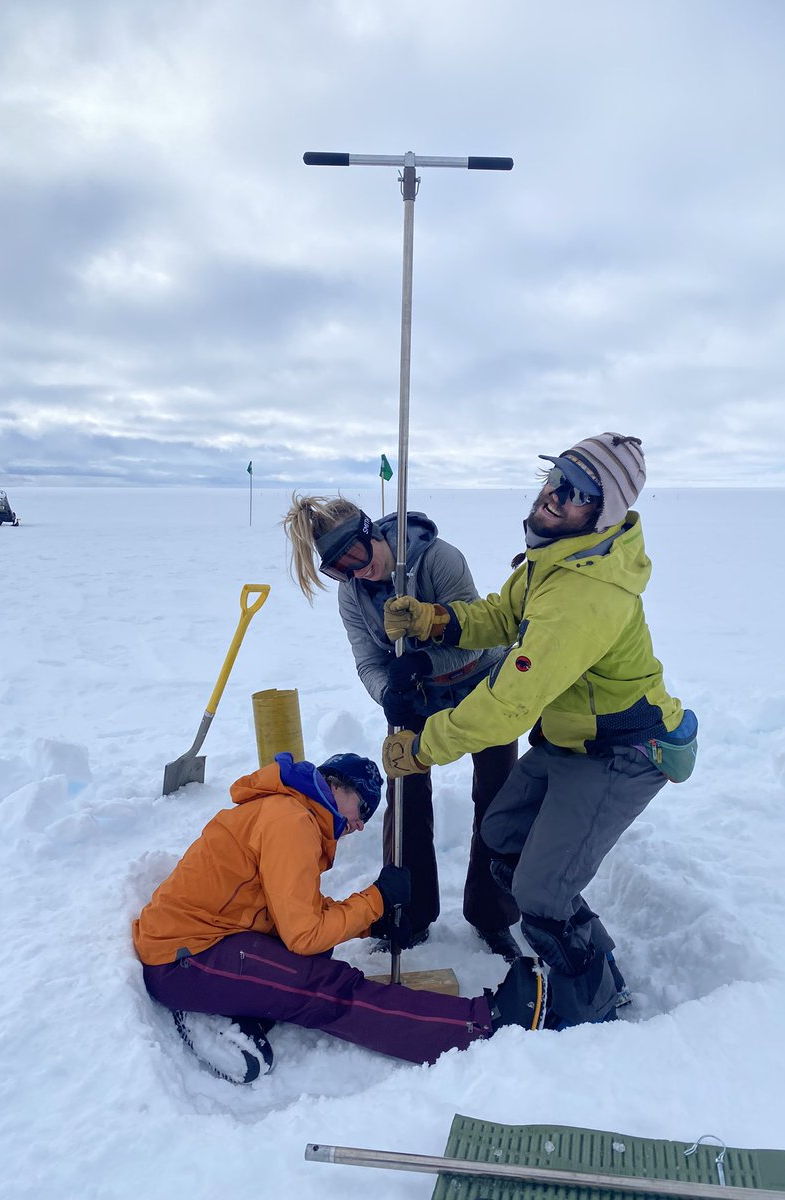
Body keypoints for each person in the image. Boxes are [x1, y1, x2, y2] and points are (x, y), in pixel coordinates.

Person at [380, 433, 698, 1029]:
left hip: (622, 751)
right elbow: (503, 615)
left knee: (541, 892)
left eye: (579, 492)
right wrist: (438, 619)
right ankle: (560, 925)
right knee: (501, 836)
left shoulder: (584, 595)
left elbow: (508, 707)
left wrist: (424, 748)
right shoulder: (556, 558)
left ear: (600, 513)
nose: (555, 495)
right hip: (570, 740)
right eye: (556, 476)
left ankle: (593, 999)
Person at [133, 751, 546, 1083]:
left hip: (208, 942)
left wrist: (375, 917)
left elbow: (294, 914)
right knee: (330, 989)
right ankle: (479, 1022)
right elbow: (305, 934)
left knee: (314, 960)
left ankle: (230, 1013)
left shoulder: (289, 813)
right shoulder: (290, 822)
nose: (361, 824)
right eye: (362, 806)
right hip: (186, 959)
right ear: (333, 785)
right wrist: (376, 897)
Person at [282, 496, 521, 961]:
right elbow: (367, 661)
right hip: (416, 697)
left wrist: (424, 659)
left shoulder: (438, 559)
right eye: (339, 570)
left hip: (482, 684)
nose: (355, 572)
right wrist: (387, 693)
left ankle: (493, 915)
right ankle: (410, 911)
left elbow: (479, 637)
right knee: (405, 795)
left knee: (499, 797)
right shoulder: (352, 595)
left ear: (370, 531)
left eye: (356, 556)